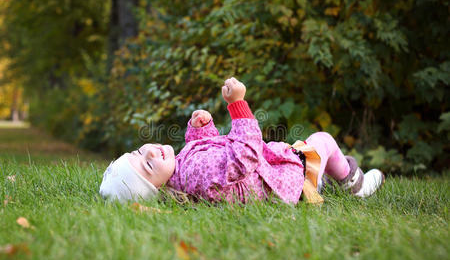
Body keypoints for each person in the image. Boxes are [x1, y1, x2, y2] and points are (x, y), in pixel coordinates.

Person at [99, 78, 384, 203]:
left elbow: (210, 152)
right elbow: (242, 155)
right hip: (285, 180)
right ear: (156, 187)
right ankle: (352, 185)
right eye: (148, 166)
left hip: (273, 168)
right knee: (321, 140)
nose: (151, 152)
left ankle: (325, 181)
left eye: (139, 151)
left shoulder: (183, 172)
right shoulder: (196, 174)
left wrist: (201, 128)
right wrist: (238, 105)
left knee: (311, 146)